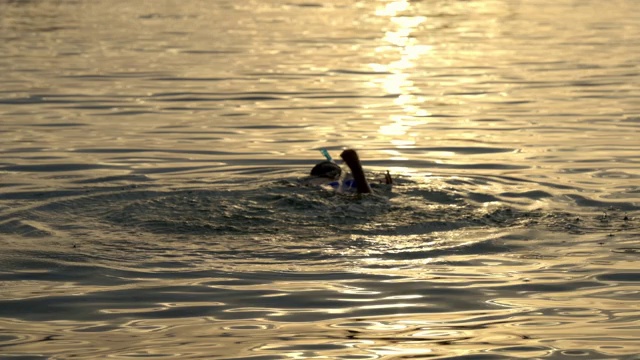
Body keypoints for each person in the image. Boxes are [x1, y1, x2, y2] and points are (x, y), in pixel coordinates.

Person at [308, 149, 392, 194]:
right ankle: (358, 173)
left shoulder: (316, 181)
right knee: (366, 194)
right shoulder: (346, 178)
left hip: (329, 188)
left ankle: (359, 174)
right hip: (351, 185)